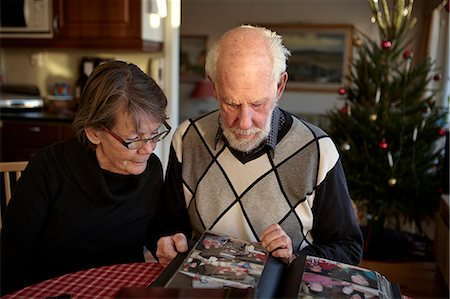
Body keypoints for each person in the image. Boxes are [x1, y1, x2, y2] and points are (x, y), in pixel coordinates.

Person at [156, 25, 363, 268]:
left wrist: (294, 258)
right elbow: (166, 225)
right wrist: (167, 241)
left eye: (257, 104)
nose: (244, 123)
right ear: (214, 87)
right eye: (231, 104)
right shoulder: (187, 138)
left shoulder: (319, 151)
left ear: (279, 86)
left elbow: (349, 249)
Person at [0, 61, 170, 295]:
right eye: (134, 139)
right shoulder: (48, 169)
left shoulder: (151, 169)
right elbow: (11, 256)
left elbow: (154, 229)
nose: (148, 149)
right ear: (94, 132)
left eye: (155, 134)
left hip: (122, 291)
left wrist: (164, 240)